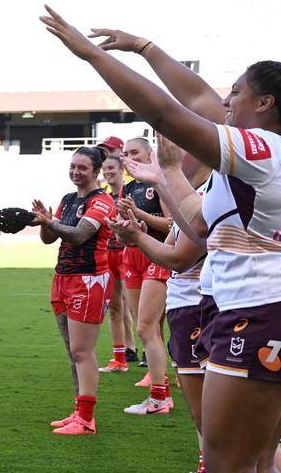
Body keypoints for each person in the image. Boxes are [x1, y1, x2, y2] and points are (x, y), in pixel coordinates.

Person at [43, 5, 281, 473]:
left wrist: (95, 56)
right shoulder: (261, 164)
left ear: (265, 104)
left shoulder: (262, 153)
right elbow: (189, 243)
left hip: (257, 318)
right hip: (269, 315)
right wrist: (147, 49)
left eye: (238, 92)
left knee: (231, 464)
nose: (225, 100)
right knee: (261, 462)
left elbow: (172, 110)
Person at [30, 146, 116, 436]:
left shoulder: (102, 201)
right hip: (63, 278)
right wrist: (45, 221)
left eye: (82, 167)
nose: (75, 172)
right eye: (72, 166)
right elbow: (48, 239)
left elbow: (79, 235)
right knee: (72, 352)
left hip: (88, 280)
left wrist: (51, 222)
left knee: (82, 351)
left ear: (95, 171)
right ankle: (79, 412)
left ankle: (87, 419)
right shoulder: (68, 200)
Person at [117, 138, 174, 413]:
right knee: (146, 324)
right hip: (133, 254)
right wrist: (122, 228)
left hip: (159, 253)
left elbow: (171, 223)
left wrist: (138, 215)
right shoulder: (127, 188)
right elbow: (124, 235)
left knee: (147, 326)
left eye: (134, 152)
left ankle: (161, 395)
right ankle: (159, 378)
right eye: (125, 154)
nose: (129, 157)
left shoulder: (158, 182)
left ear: (150, 154)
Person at [97, 154, 136, 372]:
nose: (107, 172)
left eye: (111, 167)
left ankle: (150, 356)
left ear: (122, 169)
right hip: (107, 254)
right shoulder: (103, 197)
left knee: (136, 308)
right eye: (104, 168)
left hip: (128, 253)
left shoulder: (130, 192)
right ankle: (120, 359)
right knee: (114, 308)